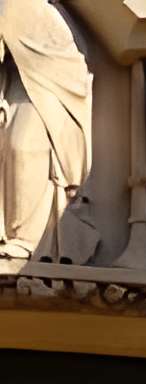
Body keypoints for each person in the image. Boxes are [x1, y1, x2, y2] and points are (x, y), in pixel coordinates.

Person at [0, 0, 91, 261]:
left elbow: (73, 65)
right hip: (14, 88)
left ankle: (26, 239)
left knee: (24, 148)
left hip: (48, 97)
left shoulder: (47, 16)